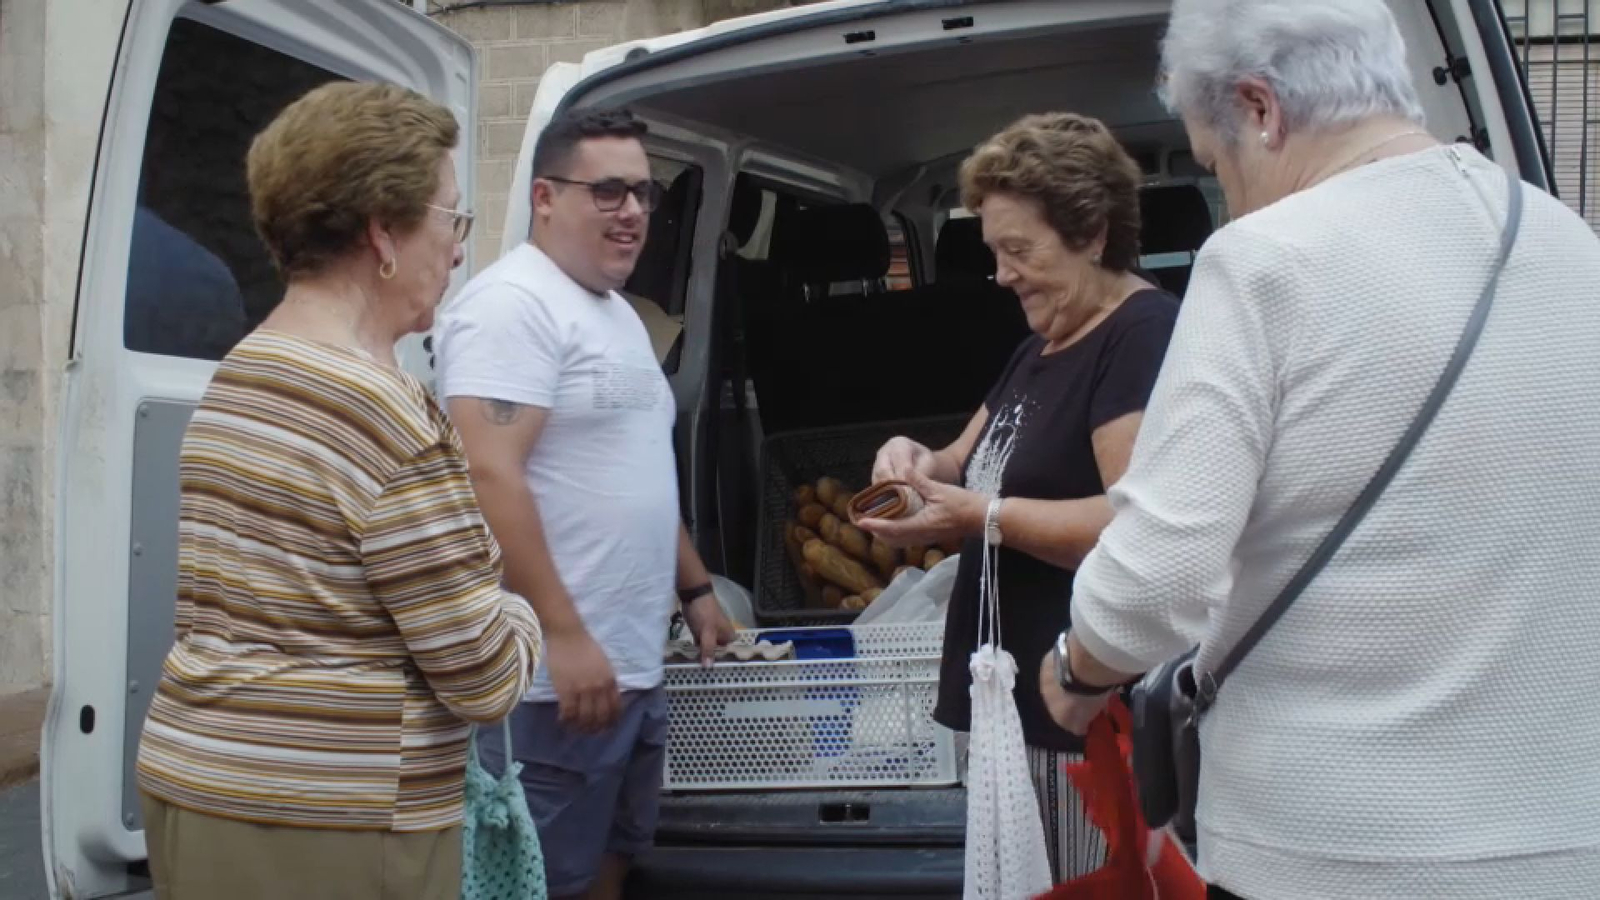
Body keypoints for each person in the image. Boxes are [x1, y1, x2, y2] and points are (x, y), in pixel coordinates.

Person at [1039, 1, 1600, 898]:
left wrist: (1076, 667)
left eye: (1216, 164)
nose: (1230, 194)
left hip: (1335, 848)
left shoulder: (1263, 261)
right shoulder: (1570, 243)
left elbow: (1156, 581)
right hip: (1566, 841)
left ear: (1259, 108)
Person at [134, 82, 543, 900]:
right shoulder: (384, 414)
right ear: (383, 232)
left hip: (194, 785)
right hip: (333, 820)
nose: (457, 251)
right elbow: (485, 676)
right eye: (451, 218)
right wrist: (525, 615)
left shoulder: (239, 374)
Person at [858, 112, 1180, 884]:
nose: (1002, 275)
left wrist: (983, 518)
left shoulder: (1139, 336)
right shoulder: (1042, 343)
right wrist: (912, 461)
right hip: (1014, 711)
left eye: (1019, 250)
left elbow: (1133, 526)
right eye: (994, 252)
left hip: (1082, 719)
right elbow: (961, 462)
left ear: (1092, 234)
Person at [433, 107, 735, 900]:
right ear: (544, 197)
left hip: (629, 665)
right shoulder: (511, 306)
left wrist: (696, 588)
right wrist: (564, 637)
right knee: (536, 884)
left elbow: (637, 473)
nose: (632, 211)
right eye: (607, 191)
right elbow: (488, 475)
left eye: (642, 193)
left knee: (612, 862)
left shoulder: (619, 317)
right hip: (549, 685)